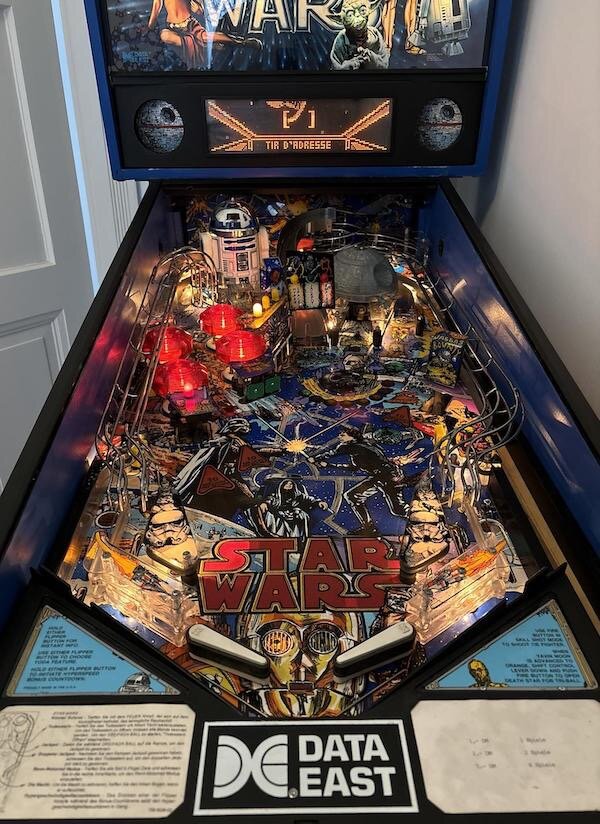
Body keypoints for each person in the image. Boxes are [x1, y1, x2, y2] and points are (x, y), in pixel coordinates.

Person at [313, 428, 421, 533]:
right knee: (353, 496)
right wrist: (329, 465)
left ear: (352, 437)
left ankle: (422, 516)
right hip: (381, 476)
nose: (339, 437)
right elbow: (353, 468)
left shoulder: (353, 446)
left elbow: (332, 453)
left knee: (398, 510)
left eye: (343, 435)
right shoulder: (359, 448)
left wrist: (316, 458)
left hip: (388, 476)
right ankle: (369, 528)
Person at [148, 0, 259, 69]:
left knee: (205, 37)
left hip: (189, 24)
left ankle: (240, 42)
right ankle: (203, 45)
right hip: (172, 27)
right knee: (165, 36)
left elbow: (201, 10)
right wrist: (150, 27)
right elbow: (156, 7)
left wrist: (198, 7)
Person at [247, 479, 327, 537]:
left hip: (295, 515)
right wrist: (264, 504)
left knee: (302, 516)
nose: (289, 486)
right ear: (282, 486)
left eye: (291, 484)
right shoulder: (276, 495)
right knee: (275, 519)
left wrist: (319, 502)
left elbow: (309, 499)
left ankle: (297, 538)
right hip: (280, 515)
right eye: (287, 484)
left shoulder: (298, 495)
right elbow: (269, 500)